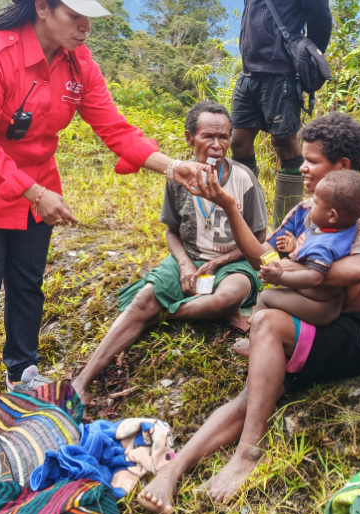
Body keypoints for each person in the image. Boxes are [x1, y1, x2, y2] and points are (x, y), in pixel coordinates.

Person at [0, 0, 206, 392]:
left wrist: (172, 167)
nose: (85, 27)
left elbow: (114, 128)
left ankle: (22, 372)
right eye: (75, 15)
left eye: (88, 17)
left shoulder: (79, 64)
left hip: (37, 184)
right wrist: (34, 193)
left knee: (28, 281)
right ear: (42, 7)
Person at [136, 113, 360, 514]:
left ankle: (248, 452)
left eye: (312, 161)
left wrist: (291, 271)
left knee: (267, 328)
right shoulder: (307, 210)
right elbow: (262, 255)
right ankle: (173, 470)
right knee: (254, 393)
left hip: (349, 331)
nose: (301, 167)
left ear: (341, 166)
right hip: (307, 321)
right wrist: (228, 205)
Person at [71, 101, 268, 403]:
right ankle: (81, 382)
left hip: (233, 263)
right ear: (190, 138)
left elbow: (259, 240)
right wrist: (185, 264)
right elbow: (171, 231)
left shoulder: (244, 179)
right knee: (142, 299)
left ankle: (158, 315)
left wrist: (220, 261)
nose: (217, 145)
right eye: (208, 137)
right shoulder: (178, 177)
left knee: (227, 297)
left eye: (224, 137)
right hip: (190, 257)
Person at [232, 0, 333, 223]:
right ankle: (249, 223)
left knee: (285, 146)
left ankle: (285, 229)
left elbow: (319, 14)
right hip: (250, 70)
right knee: (238, 143)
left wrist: (305, 61)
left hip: (281, 71)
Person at [256, 170, 360, 326]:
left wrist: (280, 277)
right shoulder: (335, 229)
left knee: (266, 297)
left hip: (318, 306)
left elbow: (315, 277)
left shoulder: (324, 245)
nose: (310, 207)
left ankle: (253, 334)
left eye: (316, 204)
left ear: (332, 216)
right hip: (325, 299)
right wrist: (296, 246)